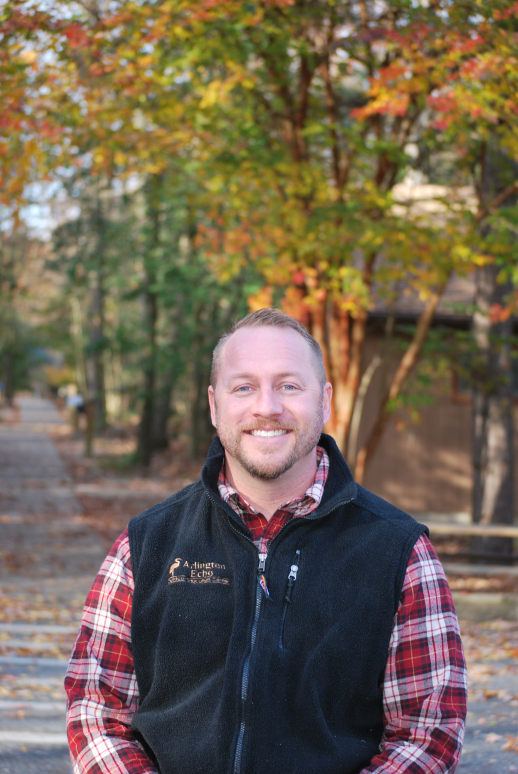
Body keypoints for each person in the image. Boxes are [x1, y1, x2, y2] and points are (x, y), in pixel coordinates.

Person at [65, 308, 467, 774]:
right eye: (244, 387)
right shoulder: (145, 546)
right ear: (215, 406)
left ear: (325, 401)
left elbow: (429, 733)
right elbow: (97, 711)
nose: (267, 407)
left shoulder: (400, 553)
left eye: (289, 386)